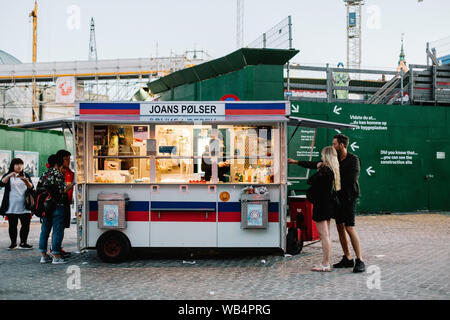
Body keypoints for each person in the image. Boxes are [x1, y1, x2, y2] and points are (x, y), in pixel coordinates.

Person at [288, 133, 365, 273]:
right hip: (336, 199)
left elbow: (350, 179)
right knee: (340, 228)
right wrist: (296, 162)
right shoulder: (333, 159)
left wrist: (330, 171)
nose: (333, 146)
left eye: (335, 144)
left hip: (348, 199)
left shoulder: (353, 160)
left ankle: (360, 260)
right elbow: (315, 163)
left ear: (342, 145)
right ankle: (348, 258)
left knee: (349, 228)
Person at [289, 147, 340, 271]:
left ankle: (325, 264)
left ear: (326, 157)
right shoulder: (332, 170)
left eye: (322, 156)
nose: (321, 158)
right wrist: (296, 162)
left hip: (321, 206)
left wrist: (320, 167)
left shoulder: (325, 171)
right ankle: (326, 262)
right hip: (327, 205)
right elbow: (311, 164)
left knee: (324, 235)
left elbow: (310, 180)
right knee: (326, 235)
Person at [38, 154, 74, 264]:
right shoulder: (58, 174)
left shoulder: (44, 174)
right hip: (57, 206)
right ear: (57, 163)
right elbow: (62, 190)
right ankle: (56, 256)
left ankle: (43, 256)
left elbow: (38, 189)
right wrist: (72, 185)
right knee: (57, 231)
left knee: (44, 231)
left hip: (46, 207)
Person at [0, 158, 35, 250]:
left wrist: (26, 181)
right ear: (13, 165)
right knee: (12, 225)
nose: (19, 166)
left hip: (25, 205)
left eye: (21, 164)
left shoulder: (26, 175)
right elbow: (1, 184)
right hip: (11, 205)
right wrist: (10, 175)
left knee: (25, 225)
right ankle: (13, 243)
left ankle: (23, 243)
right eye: (17, 164)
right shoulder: (8, 175)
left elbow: (31, 187)